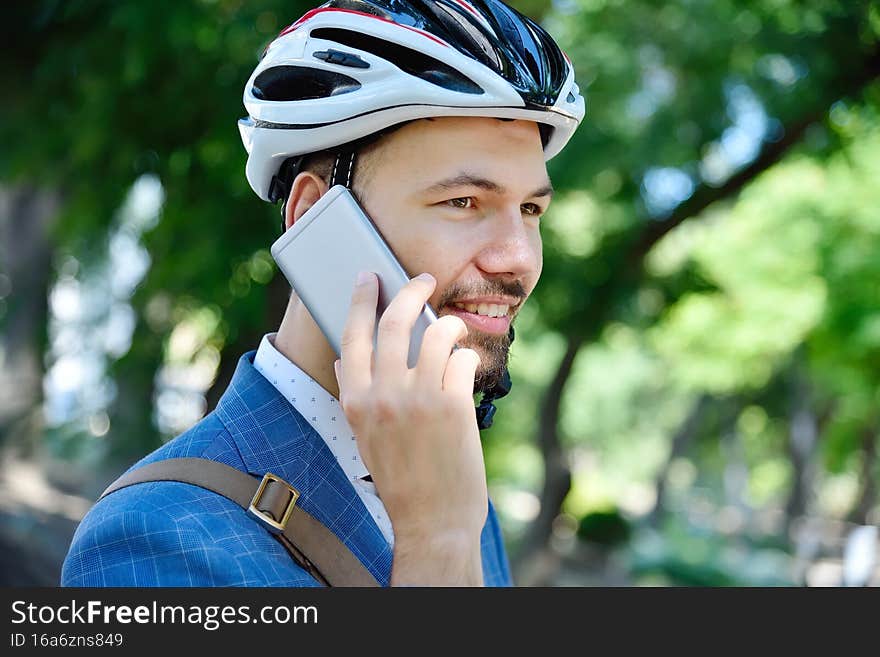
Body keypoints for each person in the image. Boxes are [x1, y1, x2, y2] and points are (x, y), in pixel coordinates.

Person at [61, 0, 584, 587]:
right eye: (463, 202)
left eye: (531, 208)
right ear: (312, 215)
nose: (519, 258)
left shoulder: (457, 477)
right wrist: (437, 546)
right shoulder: (155, 538)